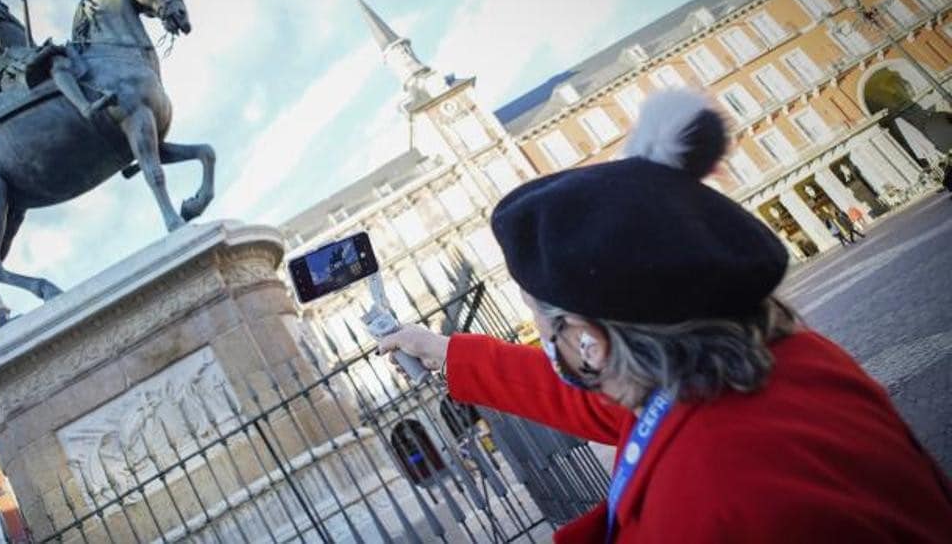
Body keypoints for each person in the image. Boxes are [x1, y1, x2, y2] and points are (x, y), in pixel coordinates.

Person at [379, 90, 952, 543]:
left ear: (587, 341)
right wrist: (445, 350)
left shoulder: (716, 497)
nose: (549, 342)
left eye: (544, 321)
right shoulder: (771, 360)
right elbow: (595, 401)